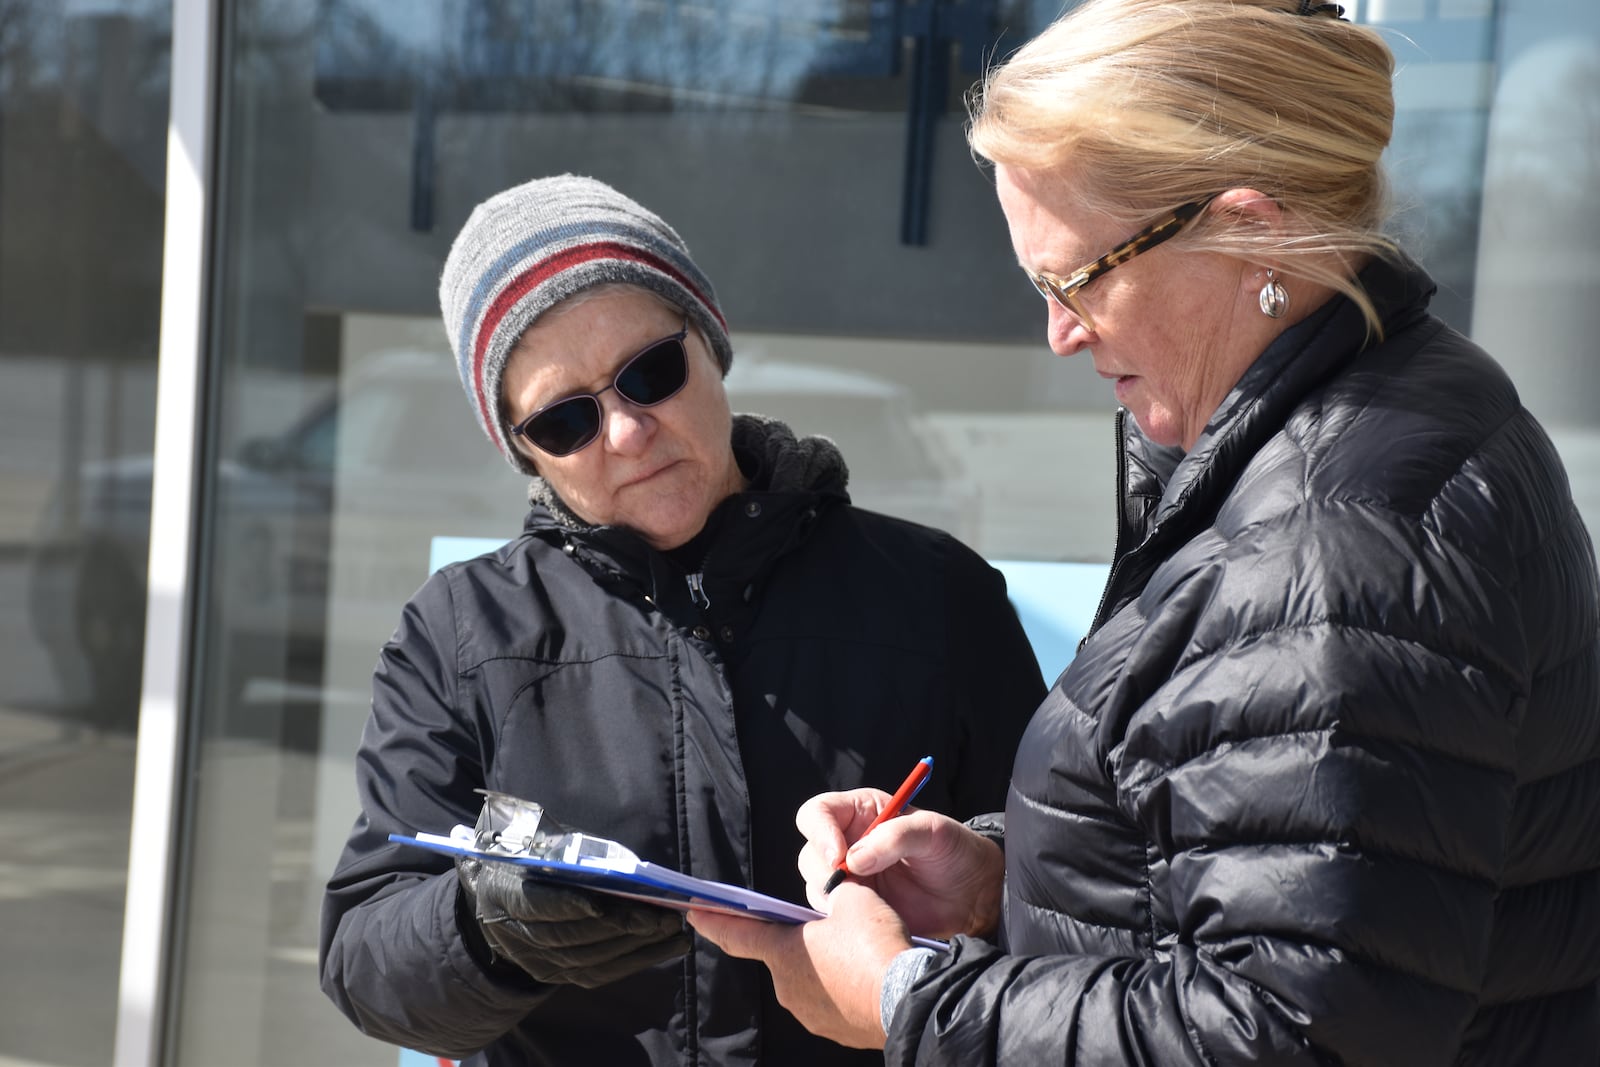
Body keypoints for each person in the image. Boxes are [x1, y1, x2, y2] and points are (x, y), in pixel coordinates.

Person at [688, 1, 1600, 1063]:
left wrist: (909, 1000)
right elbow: (1297, 891)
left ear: (1249, 231)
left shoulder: (1322, 553)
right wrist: (1007, 880)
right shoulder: (1389, 404)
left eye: (1075, 278)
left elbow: (1278, 1031)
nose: (1058, 331)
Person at [316, 174, 1046, 1067]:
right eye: (566, 419)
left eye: (649, 373)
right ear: (525, 453)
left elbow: (1079, 887)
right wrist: (486, 925)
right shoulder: (459, 632)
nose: (627, 431)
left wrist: (983, 881)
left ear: (711, 346)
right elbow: (363, 957)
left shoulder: (938, 592)